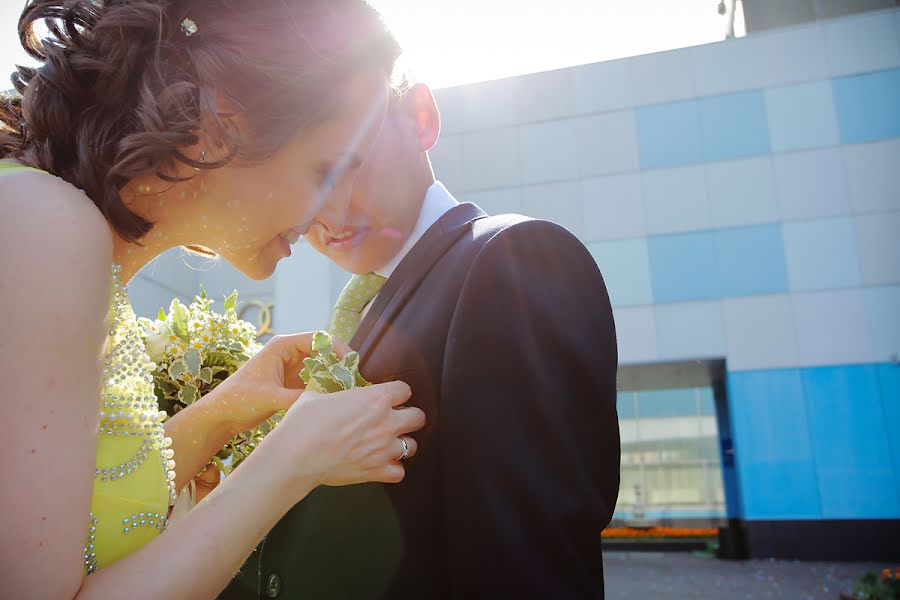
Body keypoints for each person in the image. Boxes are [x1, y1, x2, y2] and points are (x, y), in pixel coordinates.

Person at [0, 1, 427, 598]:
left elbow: (70, 508)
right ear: (220, 122)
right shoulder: (45, 227)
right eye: (328, 169)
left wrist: (225, 410)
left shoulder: (58, 237)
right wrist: (291, 461)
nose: (335, 213)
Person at [222, 77, 621, 598]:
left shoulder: (514, 260)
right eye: (299, 180)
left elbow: (528, 560)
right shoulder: (376, 304)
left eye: (341, 165)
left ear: (420, 117)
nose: (323, 212)